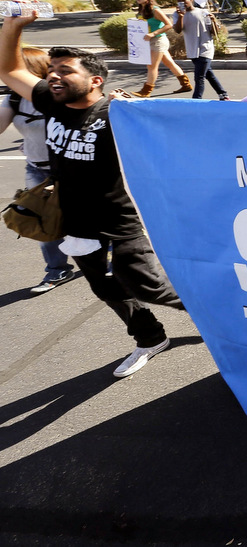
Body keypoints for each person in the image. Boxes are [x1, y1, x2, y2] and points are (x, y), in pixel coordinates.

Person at [0, 14, 187, 377]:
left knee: (153, 289)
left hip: (118, 223)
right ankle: (150, 338)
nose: (54, 75)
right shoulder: (51, 102)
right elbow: (9, 71)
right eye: (51, 69)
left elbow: (182, 131)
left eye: (65, 70)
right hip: (76, 225)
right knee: (107, 289)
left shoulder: (115, 114)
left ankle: (225, 324)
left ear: (95, 80)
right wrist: (12, 29)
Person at [0, 47, 74, 293]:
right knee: (43, 222)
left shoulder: (63, 96)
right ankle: (57, 270)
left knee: (86, 217)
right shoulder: (13, 98)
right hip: (37, 170)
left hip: (73, 169)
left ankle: (108, 252)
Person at [132, 0, 191, 97]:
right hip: (149, 40)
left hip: (158, 40)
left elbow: (169, 24)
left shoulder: (155, 10)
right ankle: (186, 84)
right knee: (170, 63)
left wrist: (153, 33)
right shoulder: (141, 9)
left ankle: (146, 91)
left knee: (151, 66)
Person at [173, 0, 228, 100]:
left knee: (199, 77)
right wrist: (181, 16)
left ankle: (196, 100)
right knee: (208, 74)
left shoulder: (203, 12)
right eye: (179, 1)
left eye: (184, 0)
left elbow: (214, 31)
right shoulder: (177, 14)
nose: (182, 3)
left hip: (205, 48)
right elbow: (177, 30)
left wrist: (214, 21)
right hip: (192, 50)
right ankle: (223, 94)